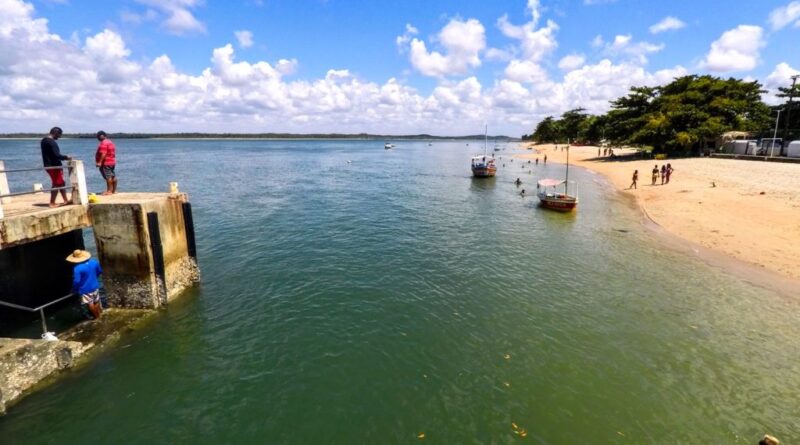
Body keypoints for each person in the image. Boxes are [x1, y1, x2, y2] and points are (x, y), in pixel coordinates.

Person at [66, 249, 104, 320]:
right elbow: (99, 271)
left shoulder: (77, 268)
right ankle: (99, 314)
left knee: (90, 303)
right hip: (95, 285)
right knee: (96, 300)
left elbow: (76, 281)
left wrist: (74, 289)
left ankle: (96, 317)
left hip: (85, 289)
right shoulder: (94, 262)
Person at [40, 127, 72, 208]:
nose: (59, 137)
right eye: (59, 135)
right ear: (56, 133)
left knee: (61, 183)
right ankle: (52, 203)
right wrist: (66, 157)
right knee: (57, 184)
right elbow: (56, 155)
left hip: (48, 165)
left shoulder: (44, 140)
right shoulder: (52, 142)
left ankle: (65, 200)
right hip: (54, 166)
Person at [95, 131, 117, 195]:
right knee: (113, 176)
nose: (98, 138)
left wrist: (99, 162)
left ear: (103, 136)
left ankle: (109, 191)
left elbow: (103, 153)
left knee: (108, 177)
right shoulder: (110, 142)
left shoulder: (104, 143)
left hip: (106, 163)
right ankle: (114, 190)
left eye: (99, 136)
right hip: (112, 162)